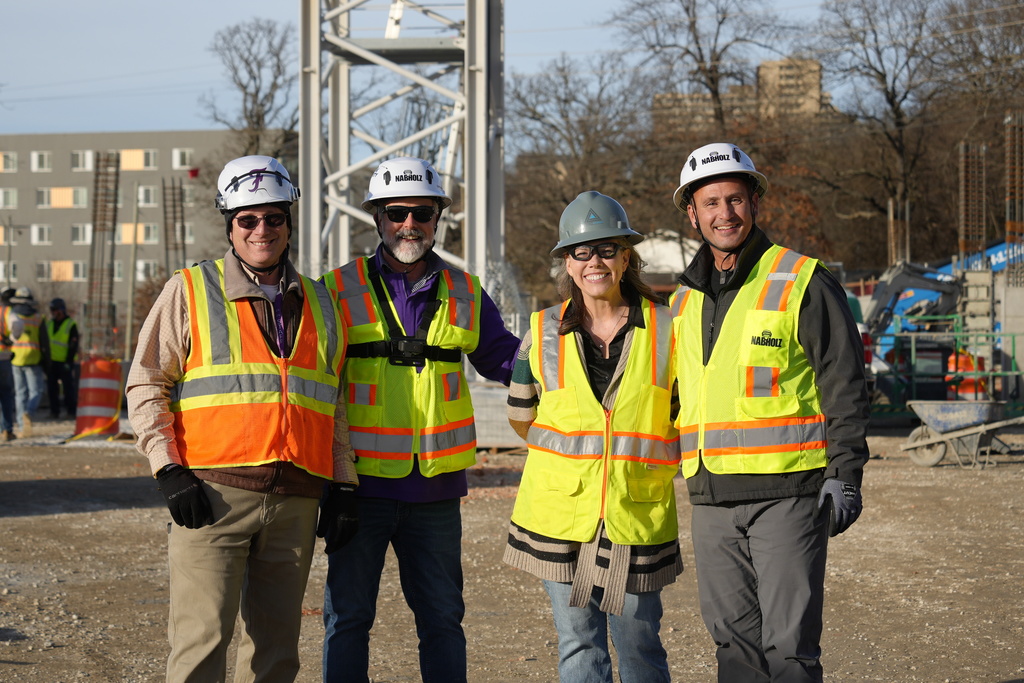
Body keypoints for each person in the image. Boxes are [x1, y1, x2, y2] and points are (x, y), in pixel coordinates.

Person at [126, 155, 355, 683]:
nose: (261, 230)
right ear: (229, 224)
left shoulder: (321, 301)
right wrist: (168, 470)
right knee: (201, 645)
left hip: (296, 500)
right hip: (212, 498)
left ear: (289, 222)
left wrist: (343, 485)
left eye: (273, 217)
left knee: (276, 655)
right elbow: (146, 382)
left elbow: (333, 401)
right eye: (247, 219)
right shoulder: (189, 290)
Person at [669, 142, 869, 683]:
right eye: (710, 203)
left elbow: (844, 383)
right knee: (733, 650)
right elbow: (676, 398)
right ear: (692, 213)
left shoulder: (802, 278)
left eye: (735, 199)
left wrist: (844, 475)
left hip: (788, 494)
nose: (724, 214)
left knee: (789, 653)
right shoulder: (682, 300)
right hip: (711, 499)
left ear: (754, 202)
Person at [319, 156, 521, 682]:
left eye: (422, 213)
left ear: (438, 219)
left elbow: (509, 363)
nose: (410, 224)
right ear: (377, 219)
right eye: (397, 213)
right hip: (358, 490)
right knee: (348, 620)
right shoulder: (335, 290)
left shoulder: (466, 292)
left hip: (434, 492)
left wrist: (573, 355)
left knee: (441, 621)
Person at [504, 191, 682, 683]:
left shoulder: (669, 328)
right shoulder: (540, 331)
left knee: (641, 647)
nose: (594, 261)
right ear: (567, 261)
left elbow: (682, 414)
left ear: (627, 257)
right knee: (579, 647)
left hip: (636, 511)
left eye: (606, 249)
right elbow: (522, 414)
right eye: (581, 252)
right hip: (560, 516)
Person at [8, 287, 46, 438]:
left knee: (20, 393)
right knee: (36, 391)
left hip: (16, 358)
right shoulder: (37, 317)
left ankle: (22, 426)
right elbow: (44, 341)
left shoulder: (11, 315)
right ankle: (28, 413)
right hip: (33, 358)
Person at [45, 297, 79, 420]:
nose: (53, 312)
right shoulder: (49, 324)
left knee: (68, 389)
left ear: (62, 310)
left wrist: (69, 362)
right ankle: (54, 412)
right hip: (52, 363)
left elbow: (73, 345)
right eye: (51, 310)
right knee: (52, 389)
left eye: (55, 309)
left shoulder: (70, 324)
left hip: (65, 362)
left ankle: (71, 411)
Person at [0, 288, 18, 440]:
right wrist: (11, 339)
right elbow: (17, 326)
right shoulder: (5, 312)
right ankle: (7, 430)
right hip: (3, 357)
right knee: (5, 395)